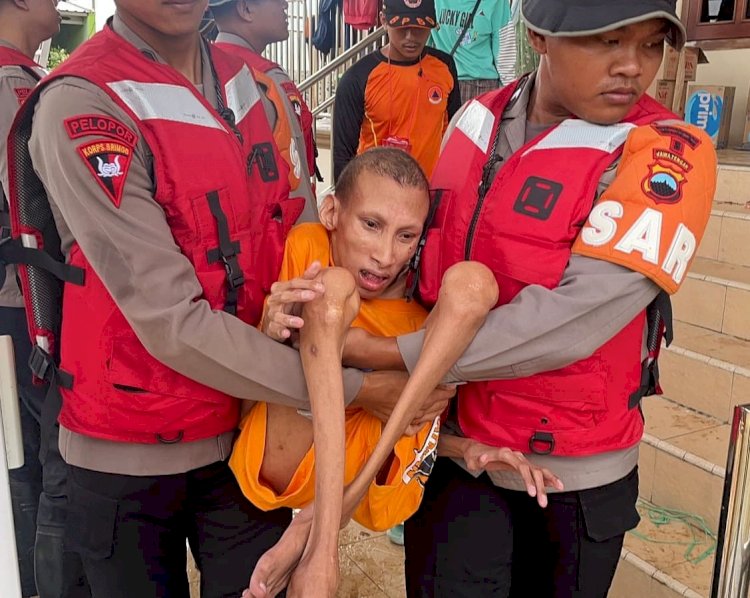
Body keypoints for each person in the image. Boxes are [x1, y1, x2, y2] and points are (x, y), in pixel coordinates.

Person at [4, 1, 448, 596]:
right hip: (131, 449)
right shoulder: (84, 102)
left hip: (243, 438)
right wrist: (360, 388)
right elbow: (172, 322)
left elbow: (294, 235)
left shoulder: (245, 81)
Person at [333, 1, 718, 596]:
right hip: (459, 453)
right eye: (606, 42)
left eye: (649, 46)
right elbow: (416, 249)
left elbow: (571, 321)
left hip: (572, 472)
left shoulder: (666, 150)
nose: (632, 68)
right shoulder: (473, 119)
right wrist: (322, 295)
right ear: (538, 36)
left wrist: (389, 355)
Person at [237, 147, 561, 598]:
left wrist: (462, 447)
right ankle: (322, 544)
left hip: (373, 490)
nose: (386, 255)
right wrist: (274, 333)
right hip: (278, 461)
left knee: (475, 283)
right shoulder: (309, 247)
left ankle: (319, 531)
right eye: (371, 225)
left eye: (406, 237)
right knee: (332, 287)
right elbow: (282, 368)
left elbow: (406, 417)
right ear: (332, 210)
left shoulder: (417, 315)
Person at [0, 3, 91, 598]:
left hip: (18, 301)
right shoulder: (13, 87)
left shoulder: (24, 79)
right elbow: (44, 206)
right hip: (30, 306)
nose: (58, 3)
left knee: (29, 467)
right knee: (52, 472)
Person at [209, 0, 319, 222]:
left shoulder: (203, 71)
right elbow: (294, 176)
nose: (286, 5)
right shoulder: (267, 80)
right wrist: (310, 232)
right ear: (246, 9)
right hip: (279, 231)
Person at [332, 0, 460, 182]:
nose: (411, 37)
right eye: (402, 27)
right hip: (377, 196)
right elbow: (343, 156)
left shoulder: (444, 67)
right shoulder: (357, 78)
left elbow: (454, 134)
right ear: (384, 20)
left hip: (430, 193)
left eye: (420, 27)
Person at [429, 0, 515, 102]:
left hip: (478, 85)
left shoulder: (496, 2)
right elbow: (504, 52)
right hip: (447, 82)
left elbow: (504, 50)